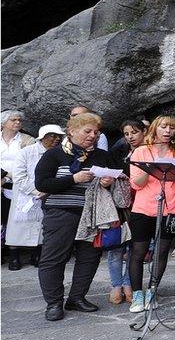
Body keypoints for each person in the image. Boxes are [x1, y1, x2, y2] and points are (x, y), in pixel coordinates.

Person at [34, 112, 114, 321]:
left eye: (96, 132)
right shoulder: (54, 154)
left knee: (90, 258)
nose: (92, 135)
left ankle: (77, 298)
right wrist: (74, 178)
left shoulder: (101, 156)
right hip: (61, 213)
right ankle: (53, 303)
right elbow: (42, 184)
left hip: (91, 215)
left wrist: (108, 182)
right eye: (87, 131)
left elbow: (116, 180)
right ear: (71, 131)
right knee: (54, 258)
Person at [126, 115, 175, 314]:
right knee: (138, 252)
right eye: (163, 127)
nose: (167, 131)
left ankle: (153, 290)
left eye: (171, 128)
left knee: (162, 252)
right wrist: (151, 168)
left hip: (170, 207)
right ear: (155, 129)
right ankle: (137, 294)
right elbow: (137, 183)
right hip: (144, 208)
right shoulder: (142, 151)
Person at [7, 124, 64, 270]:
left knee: (41, 227)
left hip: (48, 194)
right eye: (53, 136)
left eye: (59, 136)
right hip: (25, 195)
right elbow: (19, 176)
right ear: (43, 137)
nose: (56, 139)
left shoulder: (59, 153)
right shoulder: (26, 152)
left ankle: (37, 255)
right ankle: (14, 257)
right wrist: (35, 191)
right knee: (19, 227)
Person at [105, 120, 146, 305]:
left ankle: (129, 284)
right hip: (119, 204)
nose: (130, 137)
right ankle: (116, 284)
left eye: (134, 132)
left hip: (141, 203)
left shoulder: (150, 151)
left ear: (144, 132)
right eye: (127, 133)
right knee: (116, 245)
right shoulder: (118, 152)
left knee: (135, 247)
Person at [2, 109, 35, 263]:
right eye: (13, 120)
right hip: (2, 186)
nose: (17, 123)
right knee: (3, 220)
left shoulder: (28, 140)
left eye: (19, 120)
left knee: (20, 220)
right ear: (3, 123)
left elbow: (31, 163)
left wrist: (6, 175)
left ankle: (24, 254)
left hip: (20, 184)